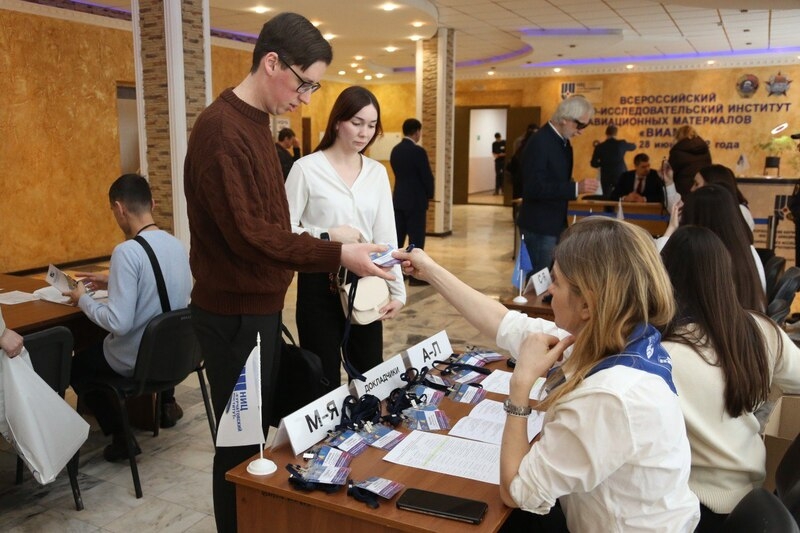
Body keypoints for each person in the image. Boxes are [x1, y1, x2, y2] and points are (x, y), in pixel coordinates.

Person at [182, 13, 392, 532]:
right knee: (239, 444)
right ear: (272, 62)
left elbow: (273, 225)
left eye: (313, 87)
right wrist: (335, 253)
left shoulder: (256, 124)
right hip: (232, 315)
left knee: (260, 437)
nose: (306, 98)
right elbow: (249, 234)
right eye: (303, 84)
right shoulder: (221, 130)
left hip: (259, 308)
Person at [393, 217, 699, 532]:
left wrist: (520, 386)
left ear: (587, 304)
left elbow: (517, 491)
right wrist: (430, 270)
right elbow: (505, 323)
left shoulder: (609, 396)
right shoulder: (620, 337)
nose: (549, 290)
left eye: (557, 282)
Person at [661, 225, 800, 531]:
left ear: (663, 278)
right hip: (754, 501)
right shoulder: (760, 330)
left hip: (689, 508)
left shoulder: (659, 355)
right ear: (726, 275)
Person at [285, 86, 406, 390]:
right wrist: (327, 235)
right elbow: (283, 231)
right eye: (357, 122)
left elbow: (386, 235)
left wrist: (398, 291)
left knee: (369, 374)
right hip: (319, 282)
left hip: (367, 281)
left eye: (372, 125)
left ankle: (364, 423)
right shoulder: (305, 169)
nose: (364, 132)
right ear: (338, 121)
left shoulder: (376, 172)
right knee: (322, 377)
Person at [66, 173, 191, 461]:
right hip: (176, 356)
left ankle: (122, 438)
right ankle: (161, 407)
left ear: (119, 208)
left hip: (140, 360)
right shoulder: (176, 244)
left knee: (76, 367)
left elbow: (118, 323)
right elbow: (160, 285)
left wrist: (82, 298)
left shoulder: (126, 251)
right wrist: (113, 280)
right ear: (152, 204)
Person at [517, 95, 599, 271]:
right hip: (539, 226)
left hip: (554, 222)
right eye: (580, 125)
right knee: (539, 278)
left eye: (585, 126)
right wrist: (575, 188)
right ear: (564, 118)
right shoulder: (540, 142)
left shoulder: (562, 143)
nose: (581, 131)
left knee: (553, 275)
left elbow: (555, 179)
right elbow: (534, 187)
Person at [658, 185, 766, 311]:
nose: (691, 188)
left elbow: (656, 279)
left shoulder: (693, 255)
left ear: (693, 218)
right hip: (748, 320)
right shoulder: (749, 252)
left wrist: (671, 229)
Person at [390, 118, 434, 254]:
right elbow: (426, 176)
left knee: (397, 238)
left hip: (399, 199)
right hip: (416, 202)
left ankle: (395, 265)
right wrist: (430, 194)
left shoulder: (395, 150)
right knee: (416, 240)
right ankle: (414, 267)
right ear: (416, 132)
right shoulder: (418, 151)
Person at [590, 124, 635, 198]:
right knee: (621, 197)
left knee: (607, 198)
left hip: (606, 176)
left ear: (606, 133)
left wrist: (603, 163)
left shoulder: (599, 147)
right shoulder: (621, 144)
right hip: (620, 175)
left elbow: (593, 164)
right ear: (616, 134)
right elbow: (633, 147)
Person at [668, 125, 712, 197]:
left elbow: (670, 175)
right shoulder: (705, 150)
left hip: (682, 193)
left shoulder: (677, 152)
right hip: (702, 191)